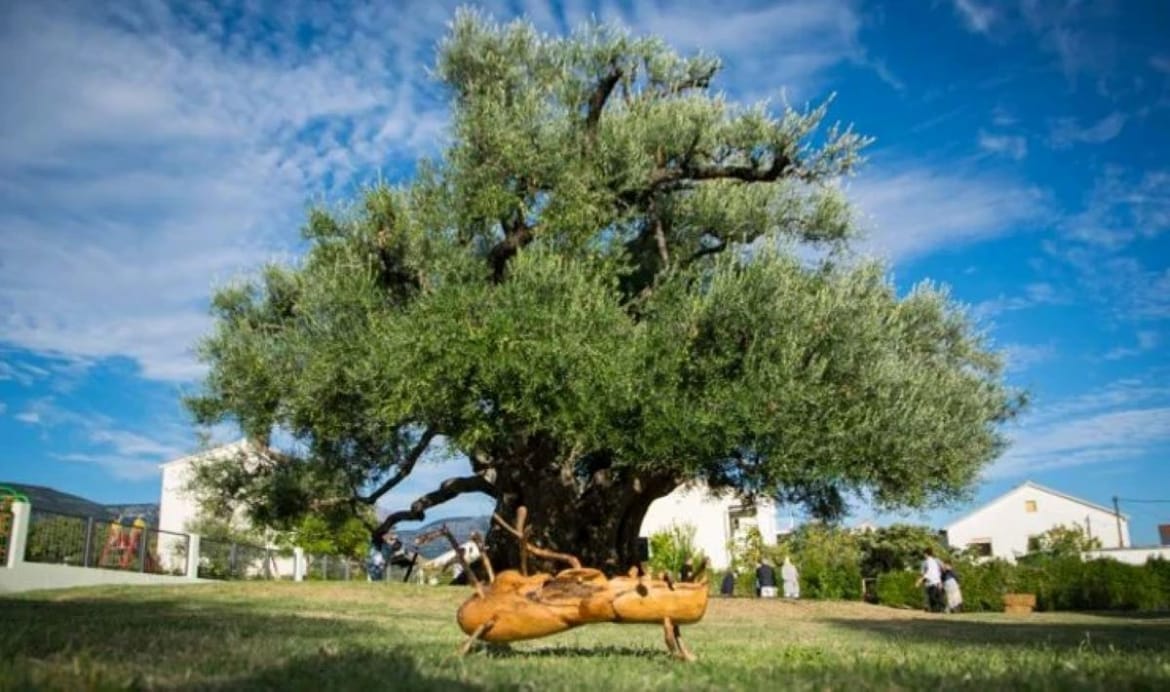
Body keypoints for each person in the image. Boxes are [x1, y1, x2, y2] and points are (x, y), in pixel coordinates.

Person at [916, 548, 944, 613]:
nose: (924, 555)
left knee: (933, 596)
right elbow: (943, 568)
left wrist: (919, 581)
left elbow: (923, 573)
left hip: (934, 581)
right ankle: (934, 610)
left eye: (924, 554)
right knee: (933, 597)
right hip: (932, 581)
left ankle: (940, 608)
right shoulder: (936, 561)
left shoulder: (927, 562)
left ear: (926, 554)